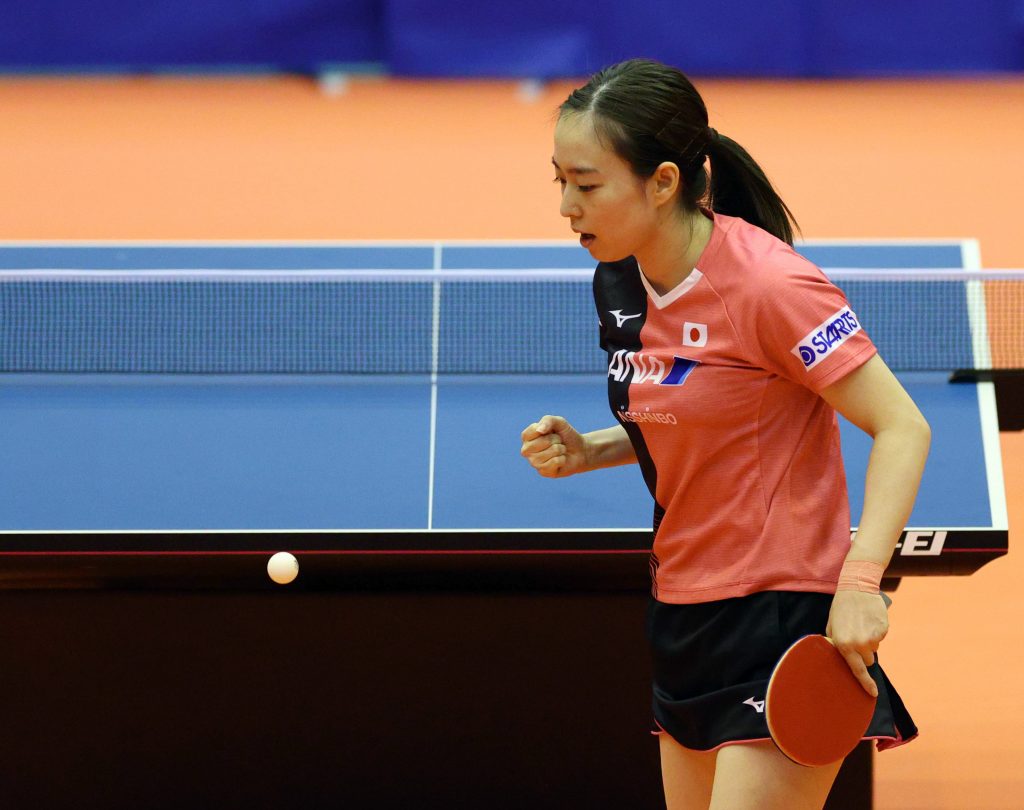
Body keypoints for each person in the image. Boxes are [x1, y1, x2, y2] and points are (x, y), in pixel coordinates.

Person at [519, 58, 928, 810]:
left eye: (587, 183)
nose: (568, 207)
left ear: (664, 182)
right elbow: (713, 410)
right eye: (561, 183)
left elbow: (902, 425)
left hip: (779, 613)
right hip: (681, 608)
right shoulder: (619, 279)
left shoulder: (771, 286)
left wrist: (862, 583)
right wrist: (596, 448)